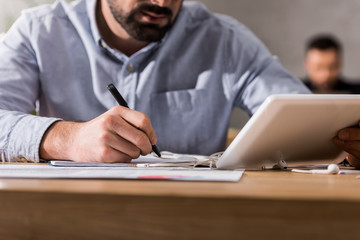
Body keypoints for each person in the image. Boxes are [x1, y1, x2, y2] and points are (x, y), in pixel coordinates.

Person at [0, 0, 311, 163]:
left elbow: (303, 117)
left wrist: (340, 142)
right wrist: (68, 138)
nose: (162, 2)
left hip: (192, 220)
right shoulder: (38, 32)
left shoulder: (225, 41)